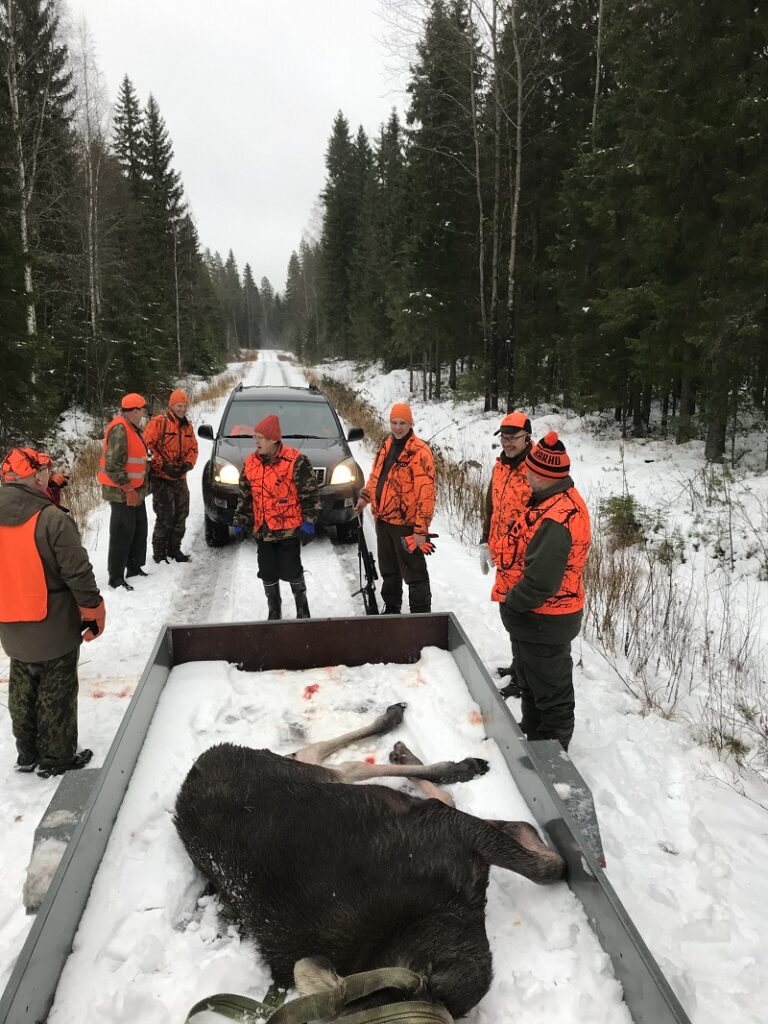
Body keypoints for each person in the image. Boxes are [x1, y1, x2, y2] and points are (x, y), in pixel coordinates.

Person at [0, 447, 104, 777]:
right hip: (54, 623)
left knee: (22, 688)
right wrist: (93, 611)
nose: (48, 475)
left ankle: (27, 753)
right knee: (56, 693)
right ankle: (56, 759)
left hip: (10, 625)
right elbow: (78, 572)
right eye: (44, 471)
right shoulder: (53, 519)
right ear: (36, 476)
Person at [493, 432, 591, 751]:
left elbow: (541, 583)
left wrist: (512, 602)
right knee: (534, 686)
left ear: (543, 475)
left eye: (530, 472)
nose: (526, 475)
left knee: (552, 695)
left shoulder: (557, 519)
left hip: (545, 619)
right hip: (535, 620)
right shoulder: (549, 501)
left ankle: (553, 758)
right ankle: (532, 739)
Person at [232, 414, 320, 619]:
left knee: (292, 569)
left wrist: (309, 521)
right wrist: (239, 520)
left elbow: (310, 494)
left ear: (273, 439)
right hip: (263, 530)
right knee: (267, 570)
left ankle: (302, 606)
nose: (256, 441)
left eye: (260, 437)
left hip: (288, 529)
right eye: (255, 437)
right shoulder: (250, 463)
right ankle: (274, 608)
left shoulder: (295, 461)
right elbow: (246, 496)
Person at [354, 402, 436, 614]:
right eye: (394, 422)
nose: (398, 427)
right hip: (383, 520)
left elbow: (426, 495)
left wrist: (420, 530)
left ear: (411, 424)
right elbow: (376, 478)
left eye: (403, 423)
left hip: (406, 526)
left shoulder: (420, 452)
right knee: (389, 570)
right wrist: (365, 497)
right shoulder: (387, 445)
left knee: (414, 573)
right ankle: (392, 608)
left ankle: (421, 614)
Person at [479, 411, 533, 695]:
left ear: (527, 437)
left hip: (525, 561)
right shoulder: (500, 467)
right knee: (510, 615)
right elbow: (491, 508)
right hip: (503, 557)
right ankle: (518, 666)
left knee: (522, 618)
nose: (507, 443)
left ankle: (524, 680)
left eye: (513, 438)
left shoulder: (536, 471)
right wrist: (484, 541)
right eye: (503, 437)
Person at [97, 393, 151, 591]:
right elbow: (112, 465)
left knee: (138, 529)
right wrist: (128, 489)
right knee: (122, 533)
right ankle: (116, 577)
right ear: (135, 411)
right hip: (122, 492)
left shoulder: (132, 427)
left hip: (135, 490)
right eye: (143, 409)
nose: (145, 412)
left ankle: (134, 568)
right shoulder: (120, 429)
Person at [143, 388, 198, 564]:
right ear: (171, 405)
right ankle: (159, 554)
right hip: (162, 478)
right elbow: (147, 448)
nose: (182, 409)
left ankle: (174, 549)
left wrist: (188, 464)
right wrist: (163, 465)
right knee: (165, 516)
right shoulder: (159, 423)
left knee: (181, 515)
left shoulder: (187, 426)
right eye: (178, 405)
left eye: (184, 406)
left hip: (180, 478)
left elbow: (193, 449)